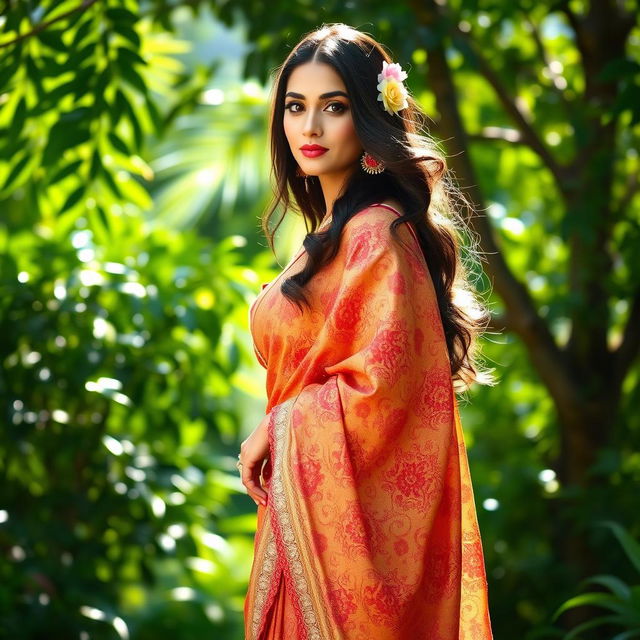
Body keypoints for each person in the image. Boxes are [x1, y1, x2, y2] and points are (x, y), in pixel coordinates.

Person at [239, 22, 496, 640]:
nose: (310, 128)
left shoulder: (377, 235)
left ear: (373, 116)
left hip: (343, 542)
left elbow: (385, 392)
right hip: (304, 522)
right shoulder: (331, 236)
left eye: (335, 107)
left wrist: (276, 428)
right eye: (296, 108)